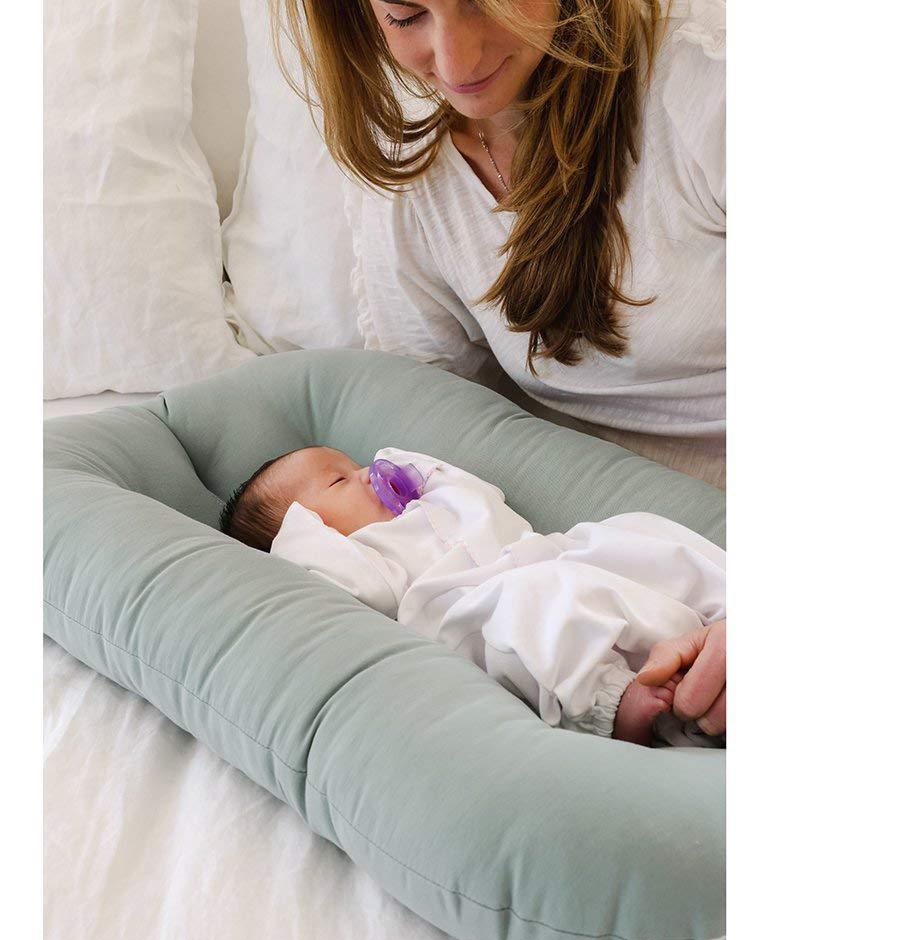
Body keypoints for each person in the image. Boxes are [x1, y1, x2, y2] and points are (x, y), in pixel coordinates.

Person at [275, 0, 727, 731]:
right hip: (595, 551)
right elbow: (437, 420)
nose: (456, 63)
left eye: (489, 1)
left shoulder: (705, 83)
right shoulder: (412, 183)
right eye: (406, 16)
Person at [219, 445, 726, 747]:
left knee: (633, 530)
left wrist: (409, 468)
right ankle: (614, 702)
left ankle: (724, 610)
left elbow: (480, 494)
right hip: (481, 614)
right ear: (311, 528)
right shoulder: (362, 558)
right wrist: (298, 534)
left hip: (549, 557)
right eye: (339, 479)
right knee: (530, 599)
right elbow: (332, 575)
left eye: (361, 464)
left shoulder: (437, 502)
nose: (369, 472)